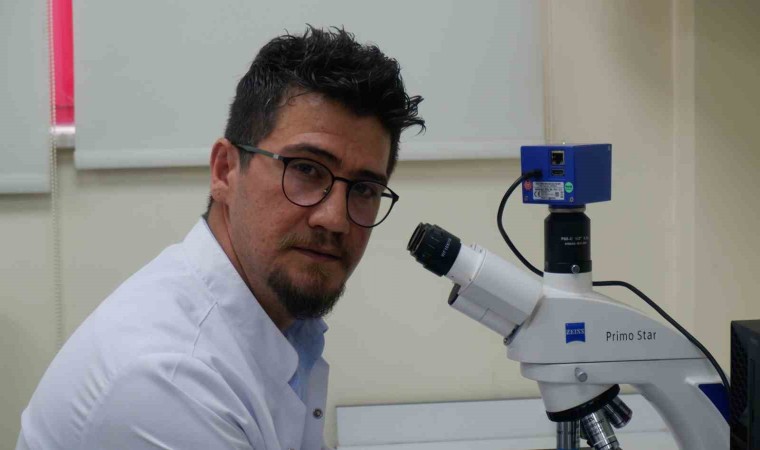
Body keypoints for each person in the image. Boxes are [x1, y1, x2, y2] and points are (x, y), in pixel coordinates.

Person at [17, 26, 424, 450]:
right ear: (225, 170)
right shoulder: (169, 382)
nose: (335, 218)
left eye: (364, 189)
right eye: (305, 169)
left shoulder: (280, 323)